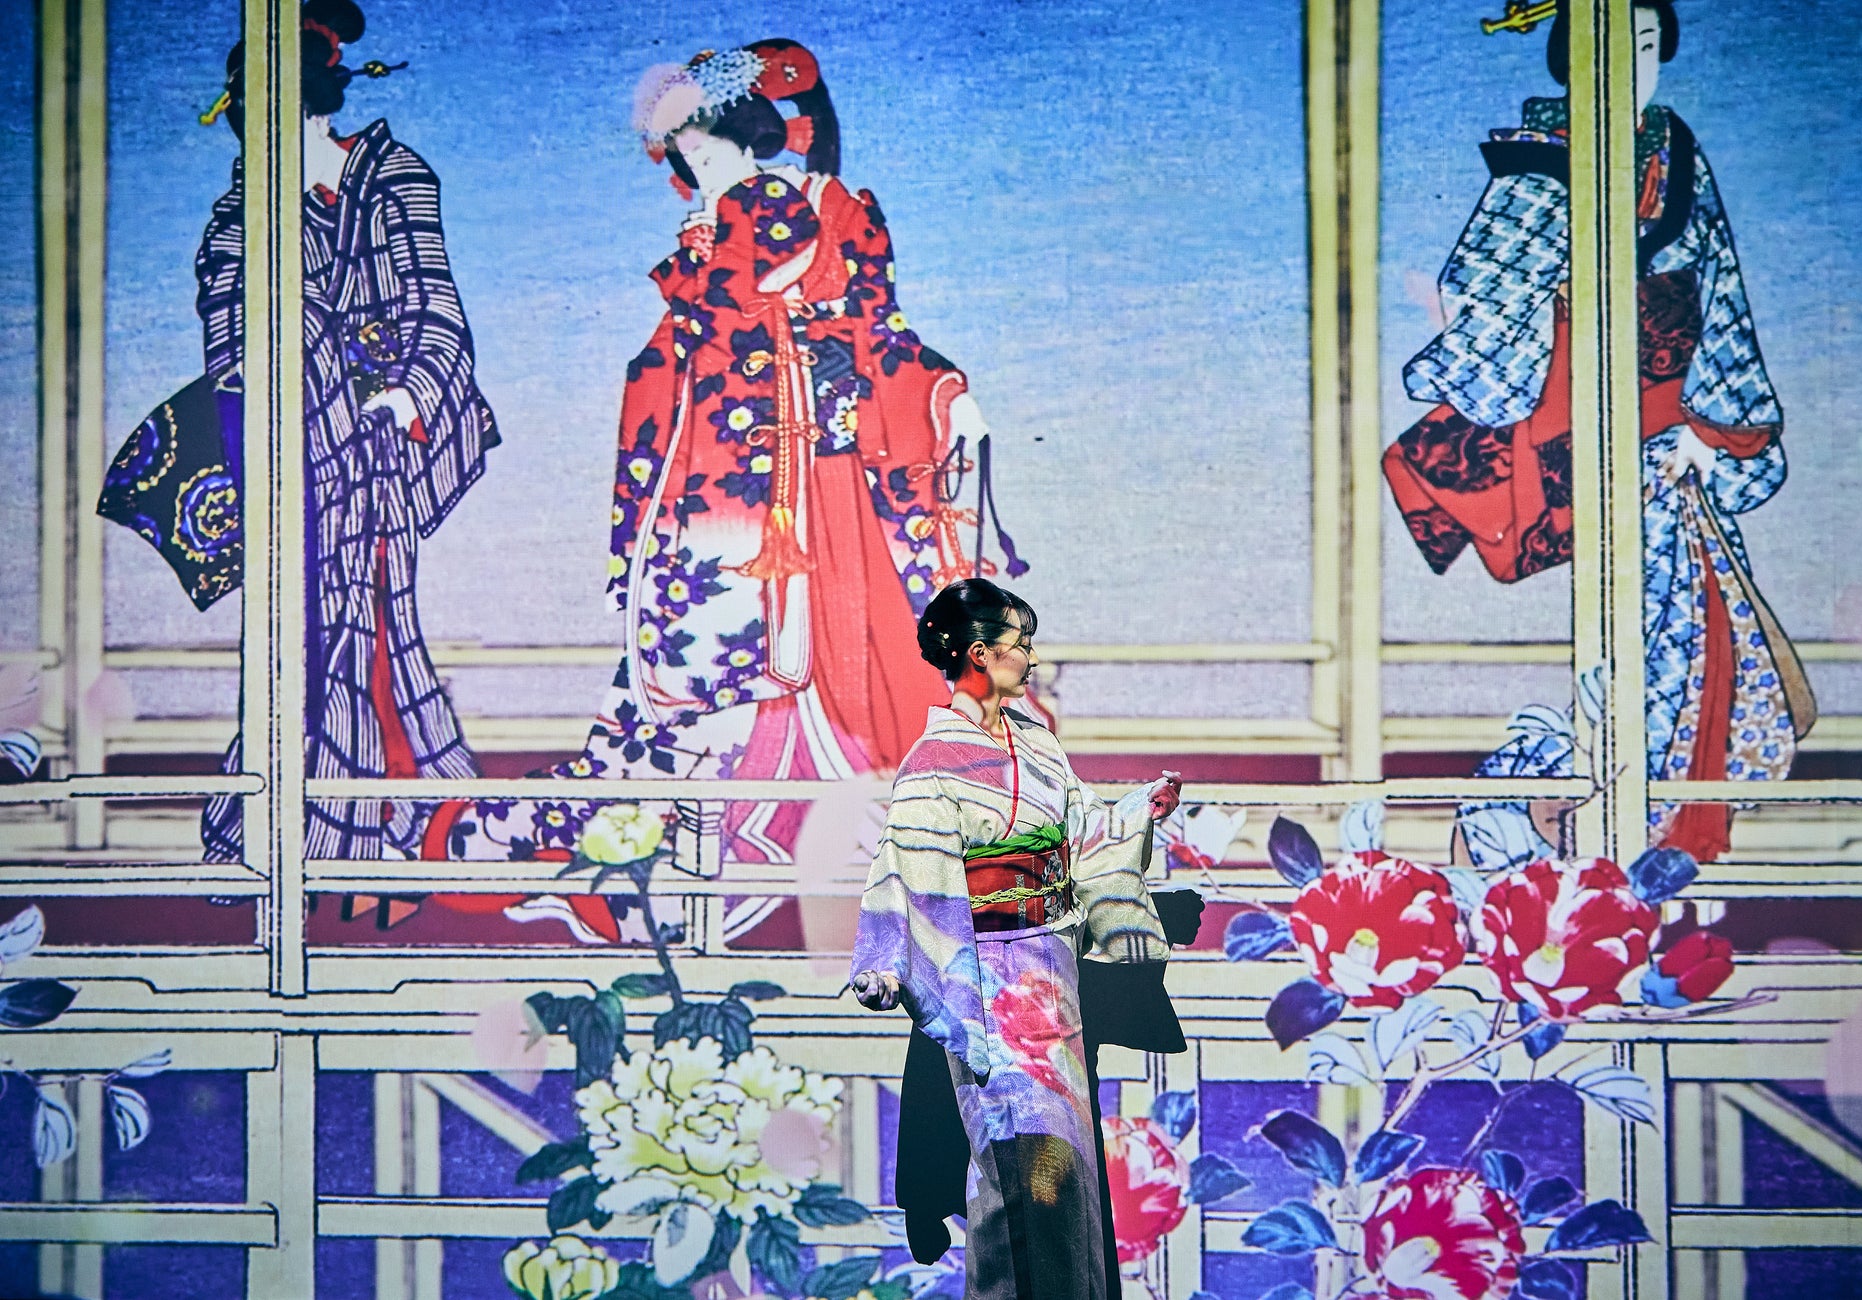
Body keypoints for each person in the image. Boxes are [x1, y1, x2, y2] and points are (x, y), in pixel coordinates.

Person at [430, 41, 1021, 941]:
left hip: (812, 470)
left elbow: (880, 332)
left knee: (849, 647)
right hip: (718, 474)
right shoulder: (710, 231)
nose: (698, 165)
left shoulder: (800, 208)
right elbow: (672, 362)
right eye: (685, 155)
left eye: (706, 145)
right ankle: (702, 829)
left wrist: (945, 390)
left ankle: (883, 833)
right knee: (705, 641)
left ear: (746, 134)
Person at [1381, 1, 1814, 862]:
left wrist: (1715, 432)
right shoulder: (1535, 162)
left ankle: (1648, 844)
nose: (1631, 64)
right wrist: (1550, 306)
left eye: (1647, 45)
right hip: (1571, 421)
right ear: (1570, 56)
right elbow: (1482, 296)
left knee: (1696, 633)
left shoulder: (1676, 154)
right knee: (1622, 645)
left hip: (1672, 429)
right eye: (1609, 45)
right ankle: (1566, 833)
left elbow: (1721, 296)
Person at [197, 0, 498, 877]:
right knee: (290, 627)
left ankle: (382, 820)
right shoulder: (238, 214)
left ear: (311, 104)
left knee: (367, 614)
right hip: (289, 448)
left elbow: (436, 305)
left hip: (381, 441)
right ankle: (281, 826)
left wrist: (407, 394)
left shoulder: (393, 176)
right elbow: (228, 338)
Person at [851, 579, 1183, 1300]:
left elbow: (1082, 830)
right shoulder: (933, 762)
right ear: (979, 654)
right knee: (1024, 1167)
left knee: (1068, 1166)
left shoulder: (1037, 744)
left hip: (1051, 970)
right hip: (988, 979)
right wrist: (886, 962)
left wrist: (1135, 812)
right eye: (1019, 643)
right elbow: (904, 871)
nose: (1030, 657)